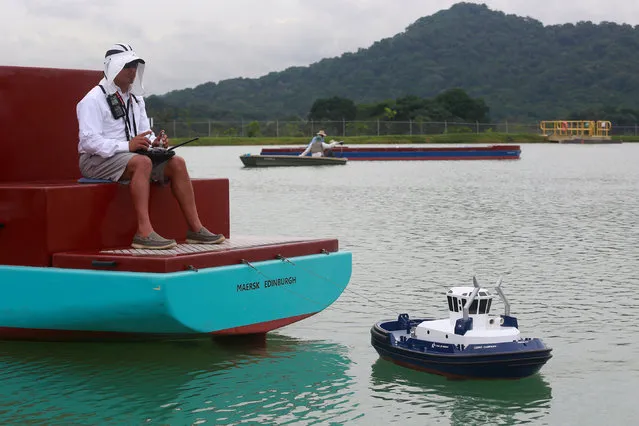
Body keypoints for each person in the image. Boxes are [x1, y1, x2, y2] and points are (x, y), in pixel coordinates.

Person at [76, 43, 225, 250]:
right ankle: (144, 233)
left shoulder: (136, 99)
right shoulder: (93, 99)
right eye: (127, 66)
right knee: (143, 162)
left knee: (177, 163)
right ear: (112, 68)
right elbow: (88, 142)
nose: (132, 71)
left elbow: (145, 131)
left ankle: (195, 229)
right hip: (95, 160)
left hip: (132, 156)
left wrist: (155, 142)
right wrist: (127, 145)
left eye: (135, 66)